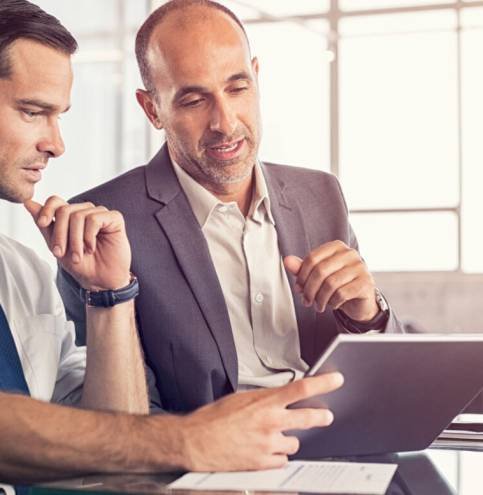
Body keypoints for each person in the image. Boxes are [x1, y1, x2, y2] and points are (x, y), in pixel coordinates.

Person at [0, 0, 343, 484]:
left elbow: (108, 450)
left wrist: (109, 294)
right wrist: (190, 440)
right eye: (33, 112)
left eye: (238, 86)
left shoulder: (23, 272)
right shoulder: (114, 211)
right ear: (152, 109)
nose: (58, 144)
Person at [58, 0, 404, 414]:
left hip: (336, 445)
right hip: (206, 464)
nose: (225, 122)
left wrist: (367, 312)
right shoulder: (103, 222)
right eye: (193, 101)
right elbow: (113, 420)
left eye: (237, 88)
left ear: (256, 78)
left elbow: (386, 387)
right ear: (153, 109)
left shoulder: (320, 194)